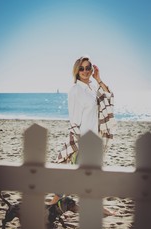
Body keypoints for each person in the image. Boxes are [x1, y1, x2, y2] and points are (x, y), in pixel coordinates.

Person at [49, 56, 115, 215]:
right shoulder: (75, 90)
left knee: (88, 174)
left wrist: (98, 79)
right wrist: (76, 143)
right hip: (83, 140)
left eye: (88, 67)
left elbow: (109, 97)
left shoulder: (92, 88)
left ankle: (53, 206)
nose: (85, 71)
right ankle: (52, 206)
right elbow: (74, 120)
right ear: (77, 71)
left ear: (92, 69)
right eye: (82, 68)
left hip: (95, 138)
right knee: (72, 175)